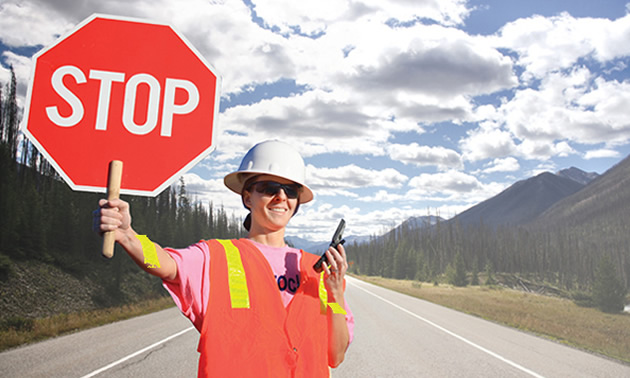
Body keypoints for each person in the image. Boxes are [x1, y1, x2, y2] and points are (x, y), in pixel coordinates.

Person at [94, 140, 353, 377]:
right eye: (269, 188)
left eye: (290, 190)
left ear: (297, 202)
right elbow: (166, 265)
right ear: (247, 196)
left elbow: (335, 356)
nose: (281, 197)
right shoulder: (217, 256)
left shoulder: (318, 273)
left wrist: (336, 296)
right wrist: (128, 236)